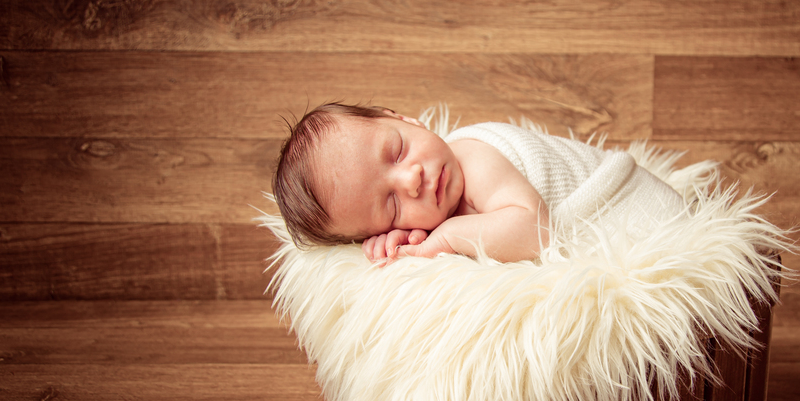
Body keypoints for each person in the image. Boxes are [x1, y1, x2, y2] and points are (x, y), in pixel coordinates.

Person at [273, 102, 686, 265]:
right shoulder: (438, 194)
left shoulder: (474, 156)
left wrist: (443, 239)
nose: (412, 179)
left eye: (397, 152)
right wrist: (405, 239)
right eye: (391, 207)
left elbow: (534, 231)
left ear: (402, 118)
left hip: (650, 216)